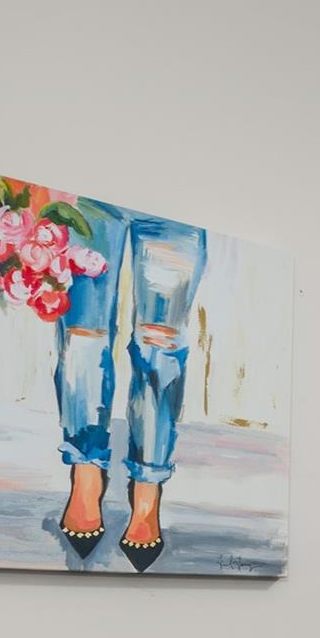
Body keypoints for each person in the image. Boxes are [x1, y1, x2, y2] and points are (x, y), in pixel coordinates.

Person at [54, 206, 207, 572]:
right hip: (87, 199)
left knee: (162, 345)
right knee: (82, 336)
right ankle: (86, 472)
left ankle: (147, 487)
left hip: (177, 207)